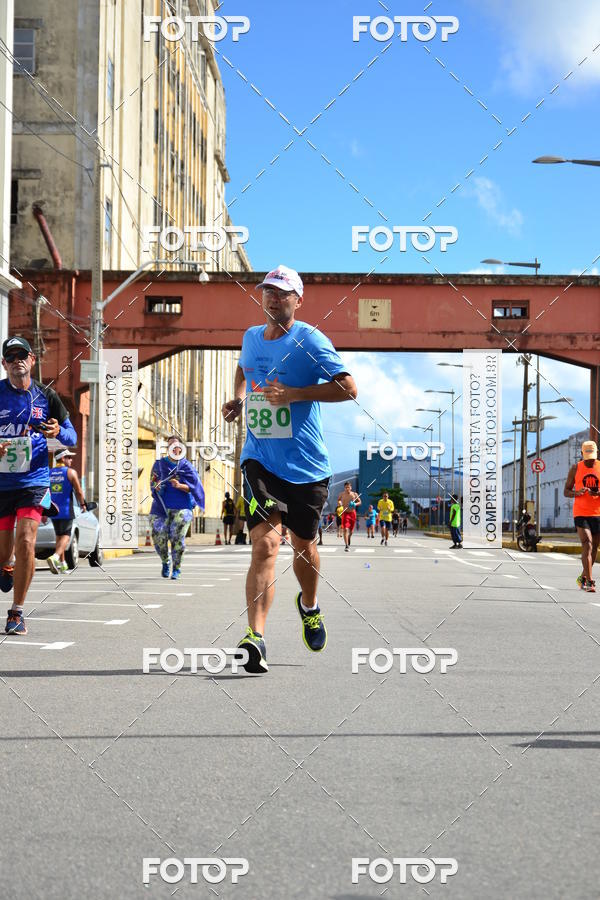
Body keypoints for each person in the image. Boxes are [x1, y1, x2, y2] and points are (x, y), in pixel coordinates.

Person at [222, 264, 357, 673]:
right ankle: (255, 638)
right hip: (260, 458)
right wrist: (239, 398)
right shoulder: (250, 337)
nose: (274, 298)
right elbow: (244, 367)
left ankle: (310, 605)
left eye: (283, 293)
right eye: (268, 291)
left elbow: (349, 388)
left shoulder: (310, 340)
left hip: (307, 466)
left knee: (304, 548)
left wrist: (294, 394)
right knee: (265, 545)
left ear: (298, 299)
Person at [0, 337, 77, 635]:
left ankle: (16, 612)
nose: (18, 360)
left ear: (32, 360)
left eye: (23, 355)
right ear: (4, 363)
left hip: (34, 481)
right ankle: (6, 565)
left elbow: (70, 437)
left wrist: (58, 431)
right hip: (3, 483)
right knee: (4, 550)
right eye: (11, 356)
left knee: (27, 541)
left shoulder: (47, 396)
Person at [150, 435, 205, 579]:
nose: (173, 448)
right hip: (160, 507)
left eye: (176, 445)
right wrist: (157, 486)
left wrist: (180, 486)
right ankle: (165, 561)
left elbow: (195, 487)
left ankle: (177, 568)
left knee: (176, 536)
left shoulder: (187, 466)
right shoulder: (159, 464)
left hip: (182, 507)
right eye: (170, 446)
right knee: (158, 536)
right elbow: (152, 483)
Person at [564, 440, 600, 592]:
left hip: (598, 513)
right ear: (581, 454)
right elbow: (566, 490)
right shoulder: (575, 468)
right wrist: (576, 493)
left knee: (594, 548)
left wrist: (597, 493)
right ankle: (590, 582)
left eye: (592, 456)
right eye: (587, 456)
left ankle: (583, 578)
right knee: (588, 544)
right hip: (581, 513)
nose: (590, 460)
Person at [47, 448, 86, 573]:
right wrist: (83, 504)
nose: (71, 460)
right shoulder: (71, 472)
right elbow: (79, 491)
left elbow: (45, 491)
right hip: (65, 509)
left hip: (52, 510)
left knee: (59, 536)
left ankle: (63, 565)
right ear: (62, 459)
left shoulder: (49, 472)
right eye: (69, 457)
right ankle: (56, 557)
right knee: (66, 536)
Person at [338, 481, 360, 552]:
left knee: (351, 531)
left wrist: (355, 504)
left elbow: (360, 502)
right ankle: (346, 546)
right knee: (345, 529)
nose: (347, 488)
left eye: (349, 487)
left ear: (351, 487)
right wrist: (340, 503)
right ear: (344, 488)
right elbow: (338, 500)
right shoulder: (341, 494)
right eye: (346, 487)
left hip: (352, 513)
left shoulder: (354, 494)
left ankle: (349, 537)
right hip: (345, 513)